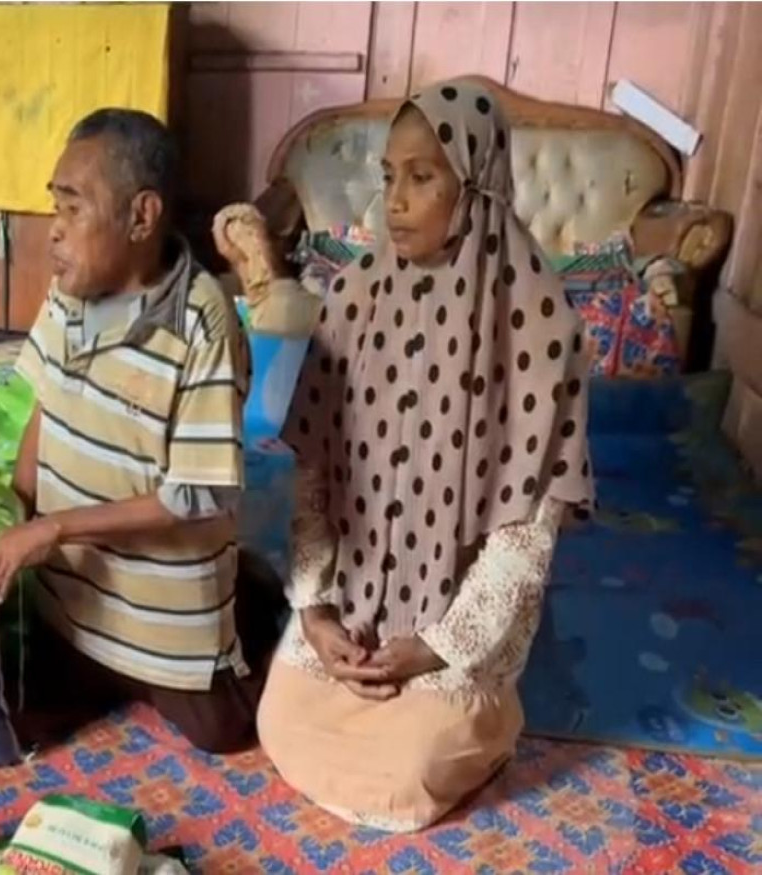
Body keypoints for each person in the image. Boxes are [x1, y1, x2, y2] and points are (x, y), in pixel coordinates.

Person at [255, 79, 595, 831]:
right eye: (388, 177)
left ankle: (482, 722)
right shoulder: (354, 297)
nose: (395, 202)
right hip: (357, 605)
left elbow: (525, 539)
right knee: (279, 717)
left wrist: (436, 648)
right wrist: (316, 613)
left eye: (421, 177)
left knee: (410, 768)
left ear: (475, 185)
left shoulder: (542, 327)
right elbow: (315, 481)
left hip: (456, 628)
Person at [0, 108, 282, 754]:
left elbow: (192, 495)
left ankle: (251, 595)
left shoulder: (203, 323)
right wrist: (15, 505)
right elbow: (45, 406)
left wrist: (55, 528)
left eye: (74, 208)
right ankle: (98, 655)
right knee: (16, 720)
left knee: (227, 732)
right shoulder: (71, 288)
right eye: (55, 207)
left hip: (162, 616)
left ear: (141, 217)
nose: (55, 231)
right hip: (72, 603)